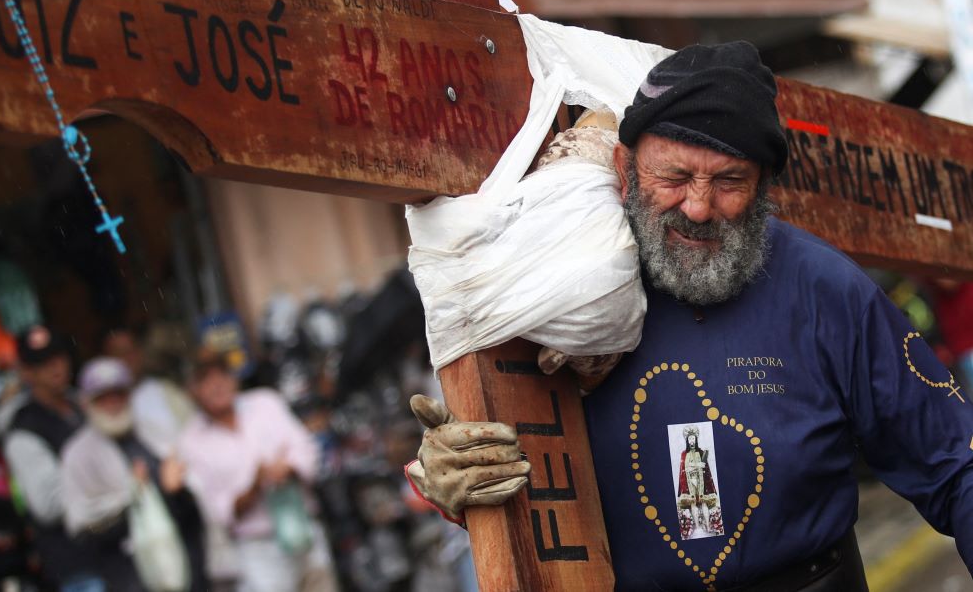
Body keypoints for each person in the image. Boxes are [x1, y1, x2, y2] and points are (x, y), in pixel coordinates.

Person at [405, 42, 973, 591]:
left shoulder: (828, 291)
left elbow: (956, 469)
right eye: (673, 178)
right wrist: (460, 485)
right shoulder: (564, 301)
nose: (698, 207)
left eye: (729, 181)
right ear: (623, 171)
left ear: (763, 187)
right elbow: (510, 473)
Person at [177, 347, 339, 592]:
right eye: (205, 379)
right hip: (258, 550)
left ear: (233, 378)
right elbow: (218, 512)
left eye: (221, 375)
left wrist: (288, 468)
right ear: (193, 391)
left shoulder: (266, 403)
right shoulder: (191, 441)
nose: (216, 384)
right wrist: (255, 484)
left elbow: (307, 453)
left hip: (305, 529)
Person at [60, 357, 208, 591]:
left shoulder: (153, 431)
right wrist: (134, 495)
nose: (113, 403)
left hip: (185, 564)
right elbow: (83, 529)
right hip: (130, 573)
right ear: (88, 403)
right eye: (103, 398)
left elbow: (190, 504)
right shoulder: (78, 454)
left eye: (118, 394)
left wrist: (174, 491)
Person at [1, 325, 102, 590]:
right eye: (42, 363)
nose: (54, 367)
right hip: (78, 566)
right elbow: (49, 504)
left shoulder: (84, 405)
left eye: (58, 357)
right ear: (26, 372)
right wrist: (106, 483)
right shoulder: (23, 429)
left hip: (114, 553)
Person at [101, 326, 195, 458]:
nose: (128, 358)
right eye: (120, 353)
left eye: (131, 351)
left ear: (140, 353)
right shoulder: (102, 408)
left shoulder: (164, 390)